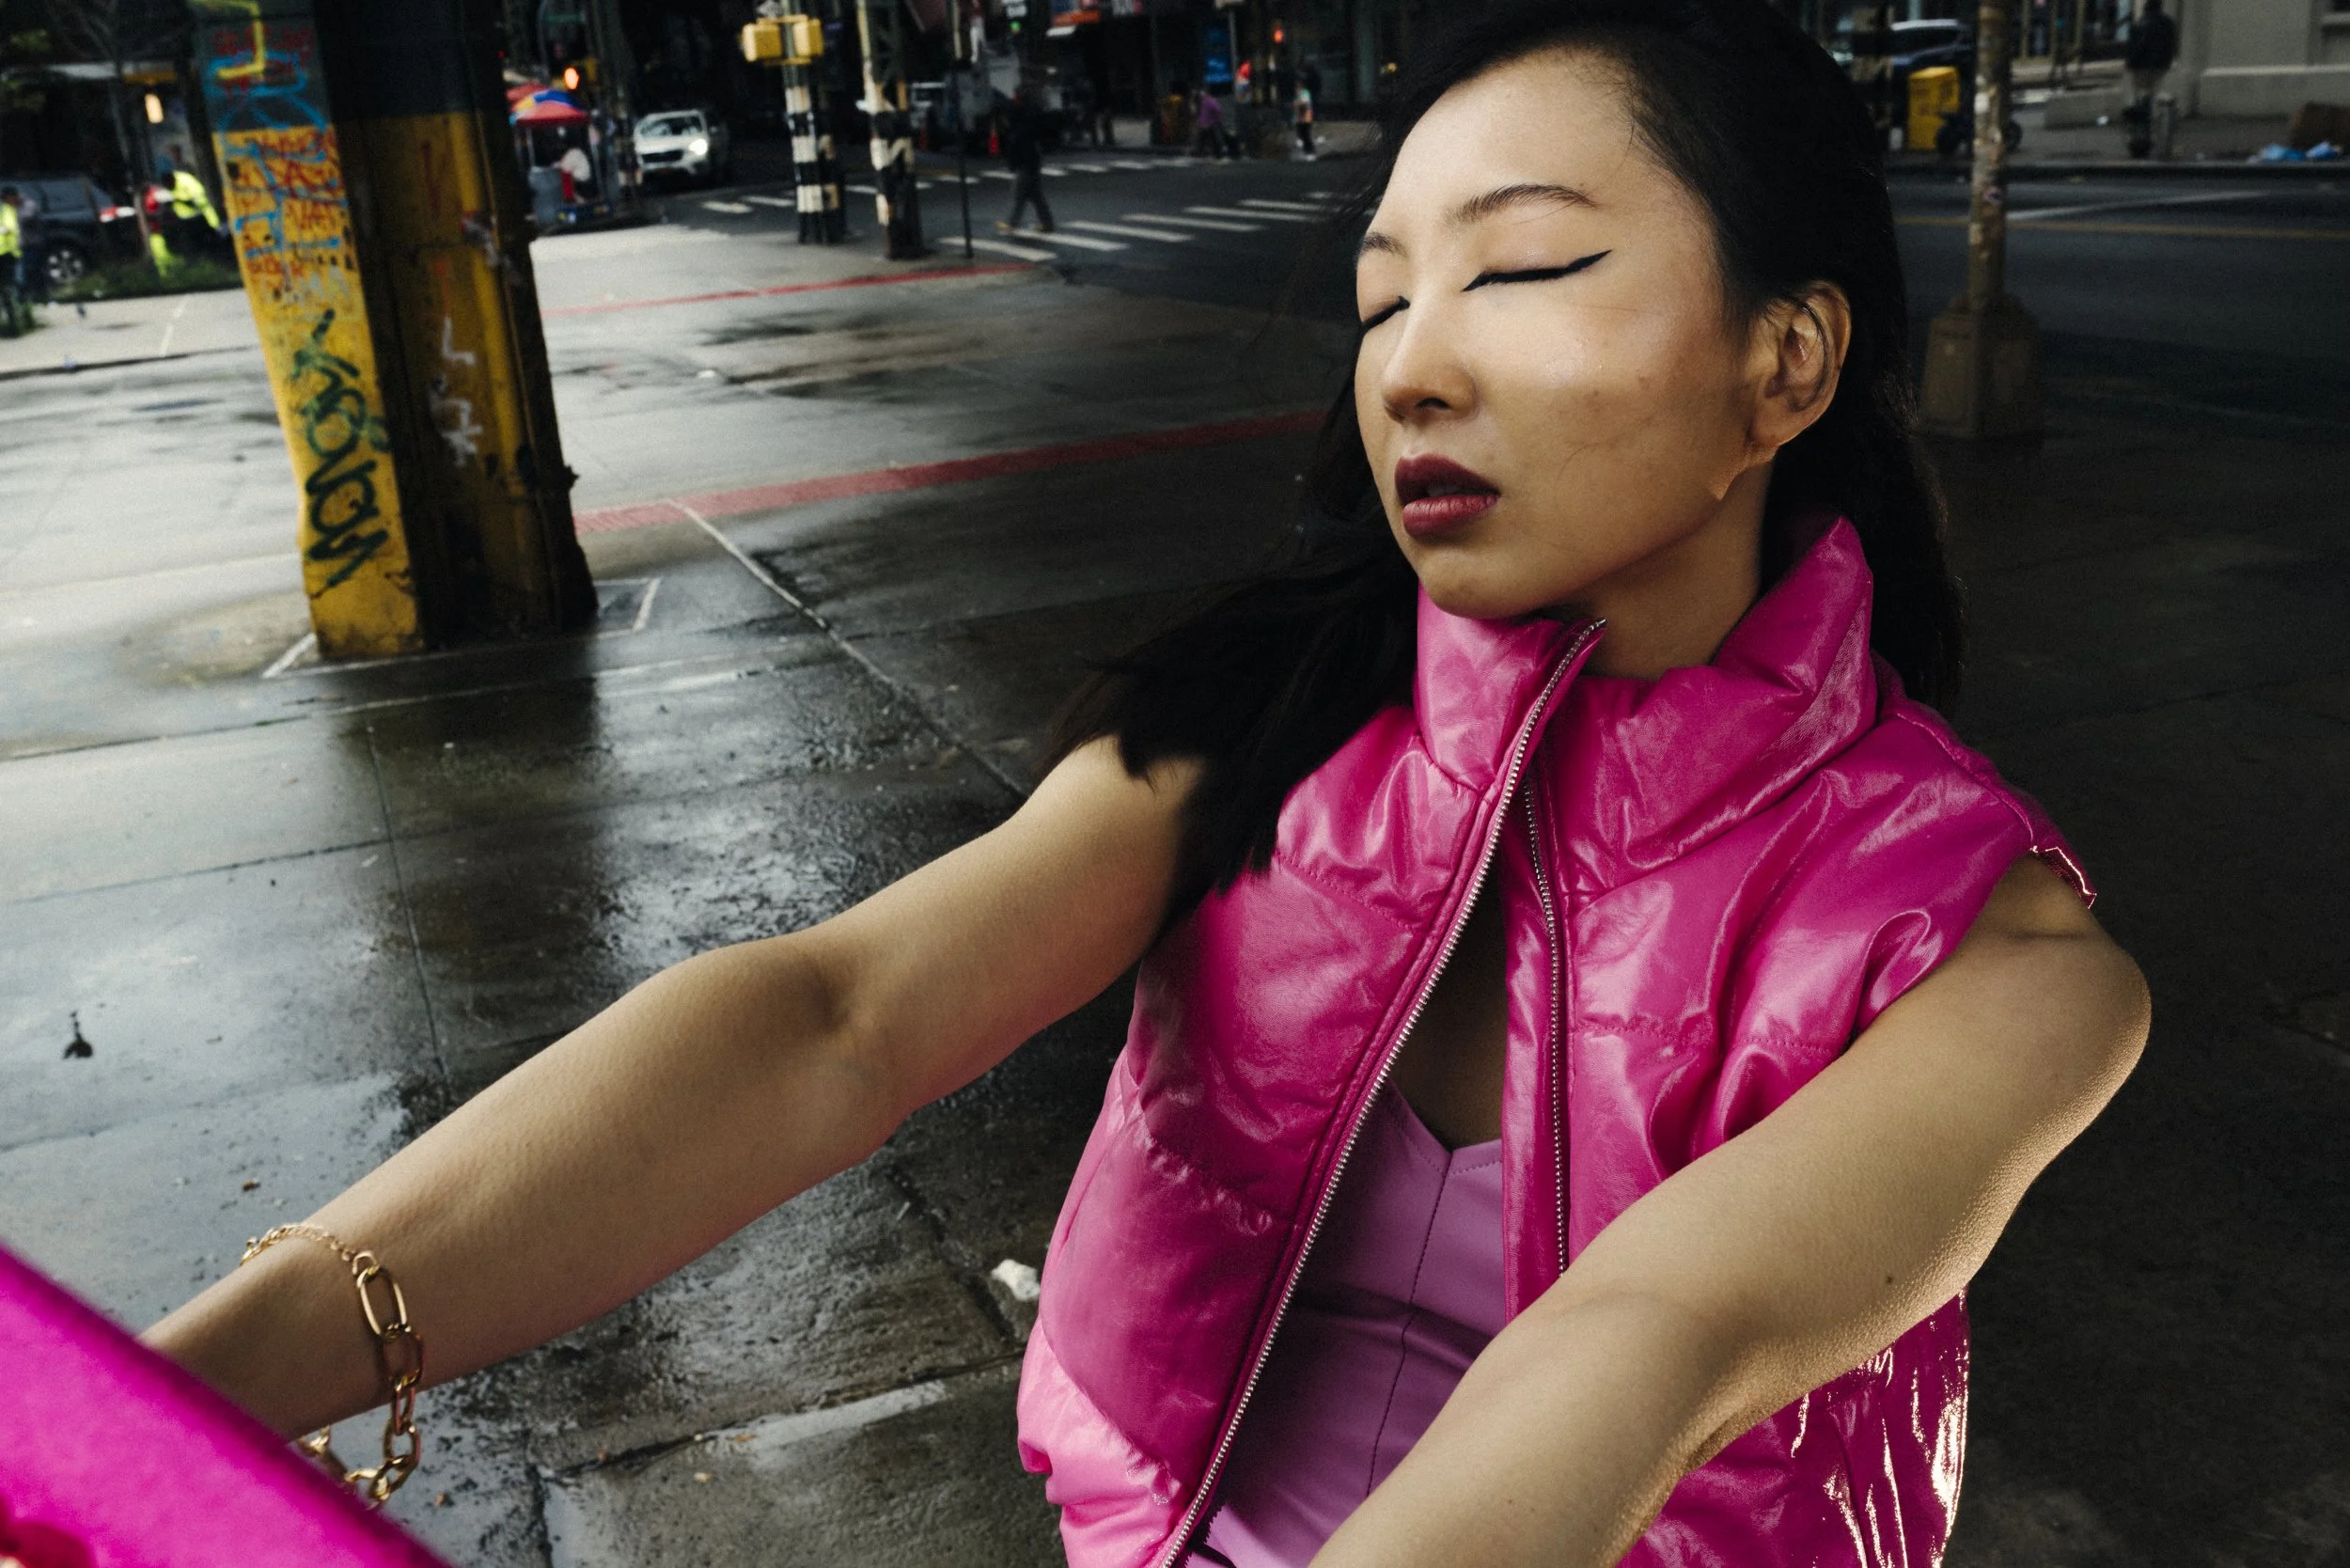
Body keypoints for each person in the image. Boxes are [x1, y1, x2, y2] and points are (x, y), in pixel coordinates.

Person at [145, 3, 2150, 1565]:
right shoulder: (1266, 731)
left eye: (1520, 271)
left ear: (1783, 365)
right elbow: (831, 1021)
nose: (1411, 368)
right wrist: (207, 1383)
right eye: (1381, 297)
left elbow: (1649, 1341)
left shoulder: (1989, 954)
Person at [2123, 0, 2179, 158]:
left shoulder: (2140, 23)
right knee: (2156, 93)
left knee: (2140, 96)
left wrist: (2130, 64)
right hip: (2161, 66)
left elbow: (2136, 47)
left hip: (2141, 67)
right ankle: (2160, 123)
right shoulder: (2168, 23)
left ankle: (2141, 133)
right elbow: (2172, 44)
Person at [997, 86, 1055, 234]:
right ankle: (1047, 223)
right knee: (1035, 196)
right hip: (1032, 162)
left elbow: (1017, 148)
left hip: (1026, 164)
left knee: (1018, 193)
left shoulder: (1020, 126)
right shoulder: (1028, 116)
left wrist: (1014, 164)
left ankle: (1012, 224)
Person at [0, 186, 27, 336]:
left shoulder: (6, 209)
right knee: (9, 288)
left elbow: (10, 228)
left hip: (7, 253)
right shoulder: (6, 209)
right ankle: (14, 324)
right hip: (6, 253)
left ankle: (14, 323)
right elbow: (9, 227)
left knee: (9, 288)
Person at [1194, 81, 1229, 159]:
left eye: (1202, 92)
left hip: (1208, 124)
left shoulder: (1209, 101)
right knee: (1206, 140)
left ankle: (1215, 154)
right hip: (1206, 124)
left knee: (1210, 140)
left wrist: (1215, 119)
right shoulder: (1204, 101)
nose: (1201, 94)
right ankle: (1212, 154)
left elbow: (1217, 110)